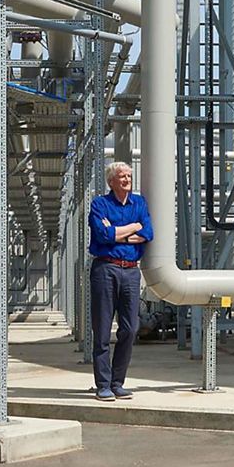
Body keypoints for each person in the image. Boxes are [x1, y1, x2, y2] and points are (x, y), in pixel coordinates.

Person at [87, 160, 153, 401]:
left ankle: (118, 382)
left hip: (131, 272)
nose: (127, 180)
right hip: (106, 269)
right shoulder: (100, 204)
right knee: (102, 329)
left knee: (130, 328)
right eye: (122, 176)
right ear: (111, 181)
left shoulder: (139, 203)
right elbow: (104, 235)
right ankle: (103, 385)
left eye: (129, 176)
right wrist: (132, 228)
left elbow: (147, 233)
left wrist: (120, 233)